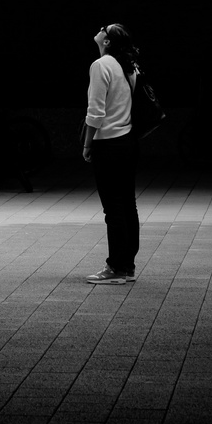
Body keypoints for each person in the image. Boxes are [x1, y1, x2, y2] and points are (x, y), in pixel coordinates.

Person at [82, 22, 140, 284]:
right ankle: (127, 265)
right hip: (127, 142)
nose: (100, 29)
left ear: (106, 41)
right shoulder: (129, 67)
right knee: (128, 204)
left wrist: (87, 144)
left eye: (104, 28)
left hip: (108, 144)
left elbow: (95, 113)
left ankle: (115, 268)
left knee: (113, 208)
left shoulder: (101, 65)